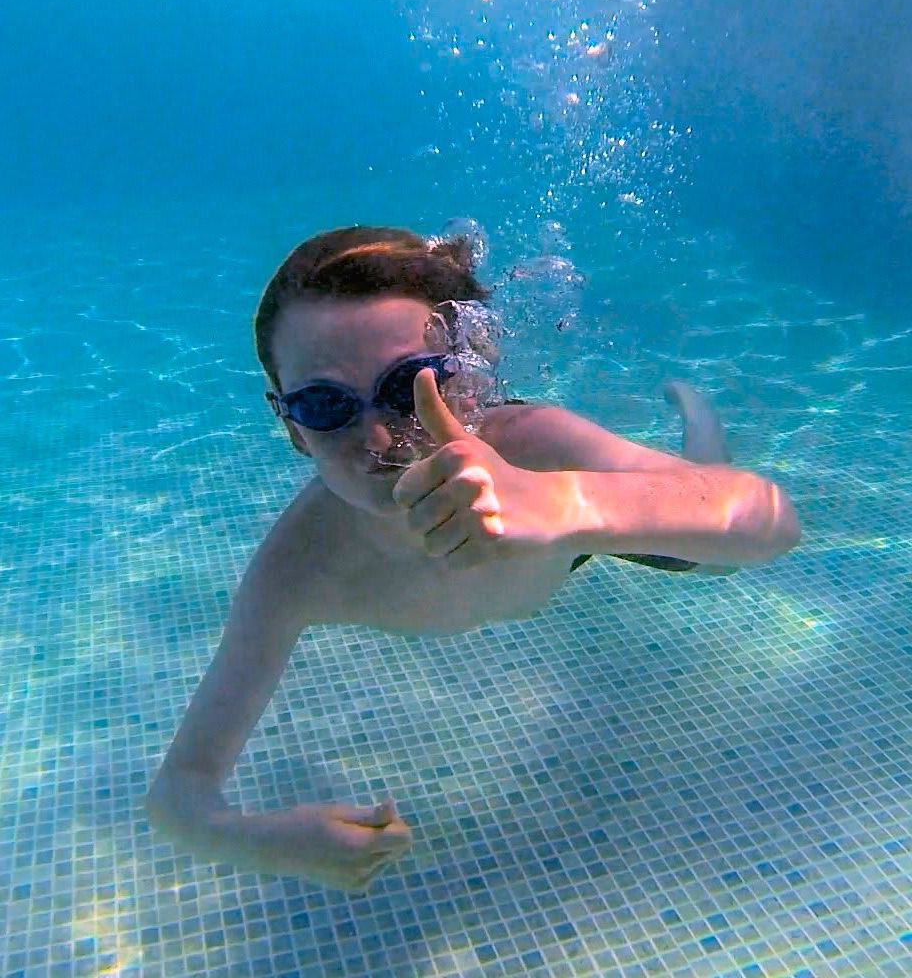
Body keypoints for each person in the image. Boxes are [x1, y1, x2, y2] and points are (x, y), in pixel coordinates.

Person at [146, 226, 801, 892]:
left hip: (566, 537)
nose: (374, 436)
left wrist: (560, 502)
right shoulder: (300, 567)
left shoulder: (533, 446)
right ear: (291, 424)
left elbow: (765, 517)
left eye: (411, 387)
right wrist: (251, 840)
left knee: (714, 553)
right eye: (323, 405)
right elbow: (180, 793)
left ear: (472, 377)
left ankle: (697, 419)